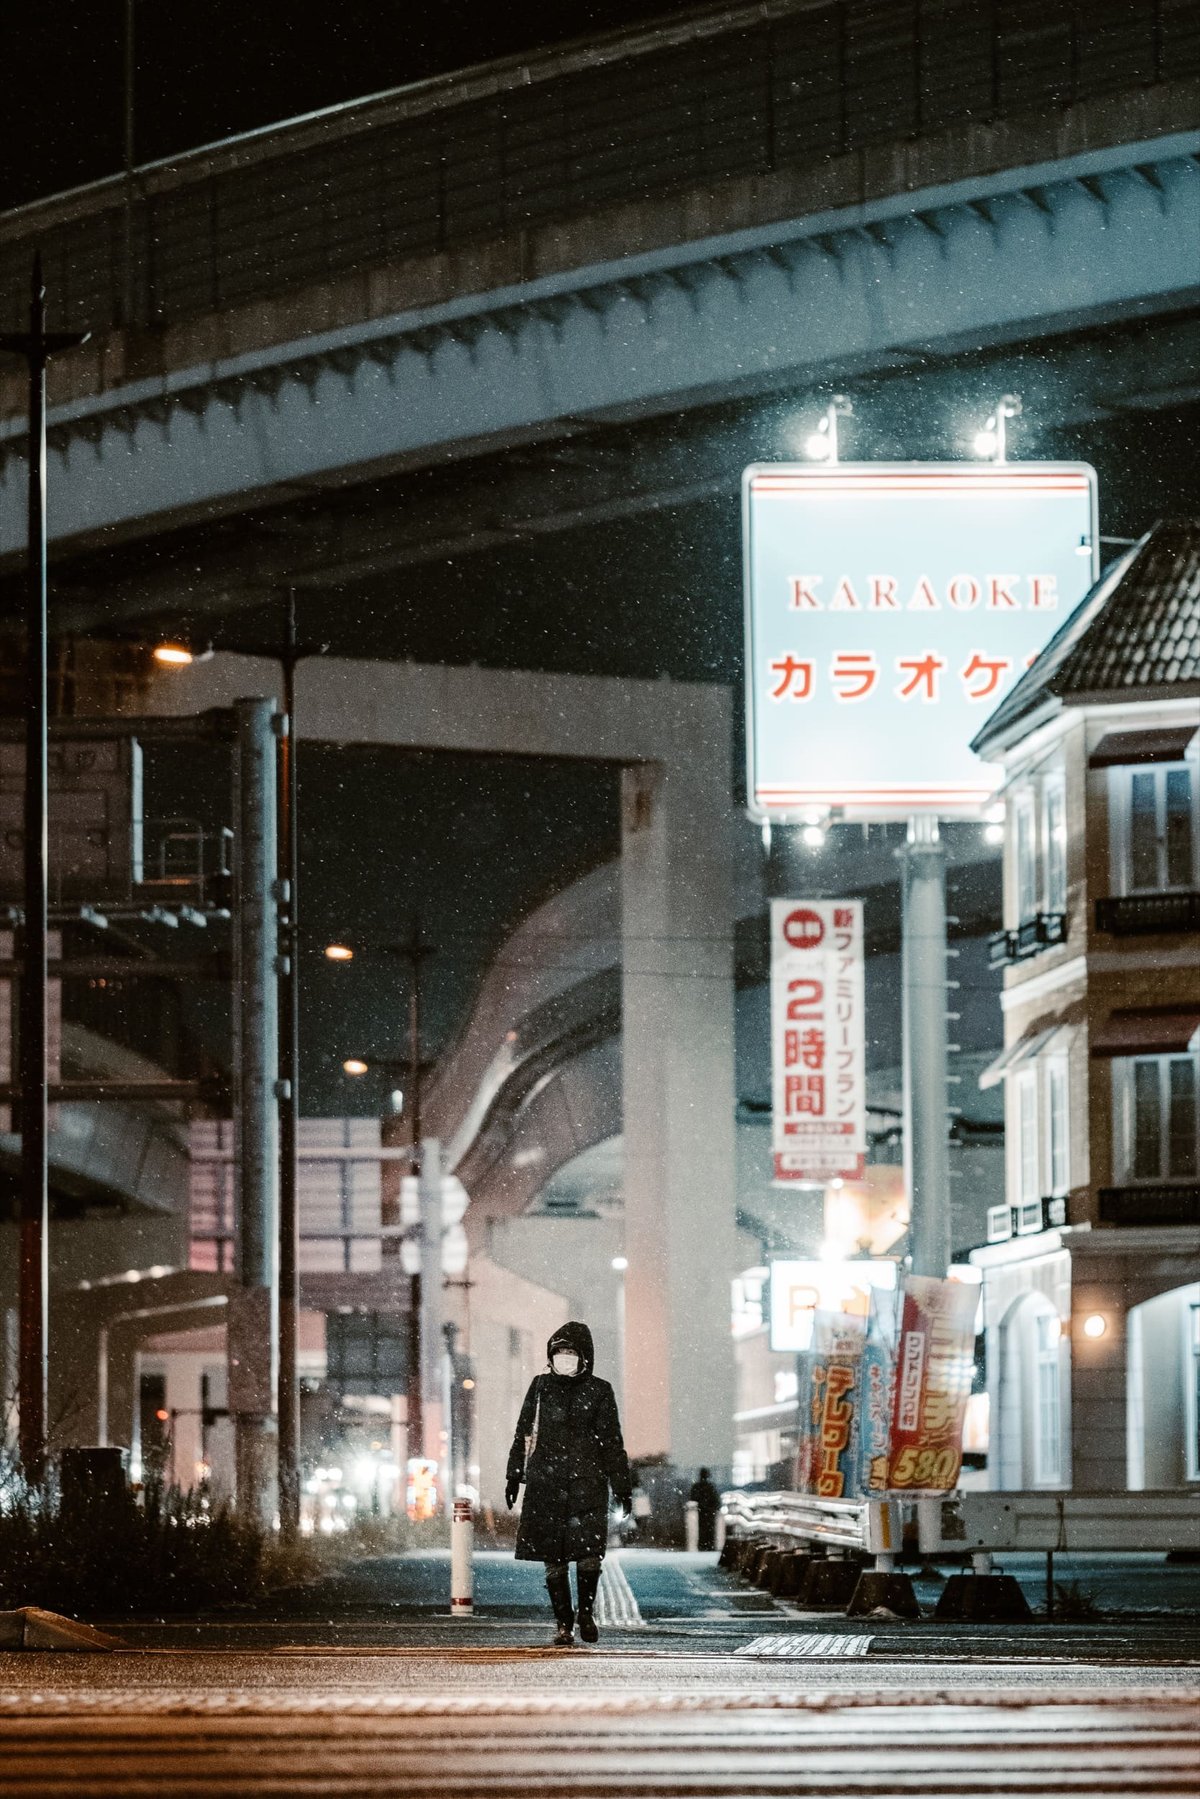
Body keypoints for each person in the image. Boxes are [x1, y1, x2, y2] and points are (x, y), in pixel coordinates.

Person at [505, 1321, 632, 1647]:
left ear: (584, 1356)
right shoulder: (540, 1387)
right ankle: (564, 1623)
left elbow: (612, 1442)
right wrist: (513, 1475)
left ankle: (585, 1613)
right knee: (554, 1557)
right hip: (546, 1483)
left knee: (589, 1553)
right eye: (559, 1352)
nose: (564, 1357)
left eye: (571, 1352)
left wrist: (621, 1485)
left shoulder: (600, 1391)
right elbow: (523, 1432)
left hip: (587, 1485)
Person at [688, 1466, 721, 1552]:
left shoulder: (697, 1486)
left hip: (702, 1511)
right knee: (710, 1530)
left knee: (703, 1529)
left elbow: (693, 1497)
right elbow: (716, 1499)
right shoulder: (710, 1486)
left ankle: (703, 1545)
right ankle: (709, 1545)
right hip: (710, 1511)